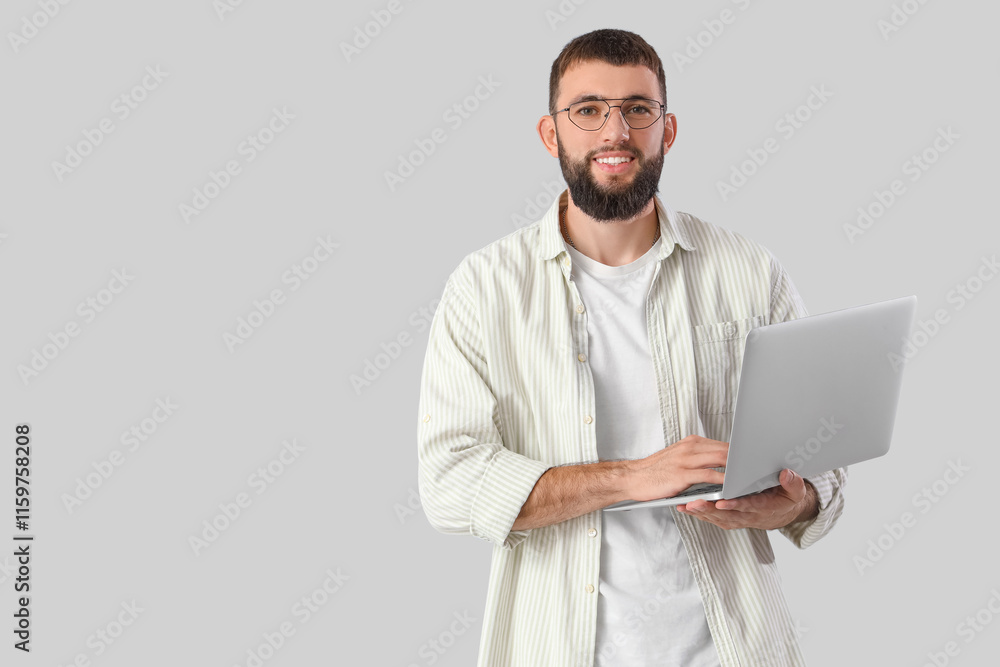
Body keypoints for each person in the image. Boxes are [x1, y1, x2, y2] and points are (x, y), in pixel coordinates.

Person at [416, 28, 847, 667]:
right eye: (588, 110)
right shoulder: (484, 288)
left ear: (666, 130)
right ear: (550, 133)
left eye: (637, 110)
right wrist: (635, 478)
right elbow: (448, 485)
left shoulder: (750, 272)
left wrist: (798, 499)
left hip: (732, 648)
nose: (614, 131)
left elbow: (826, 462)